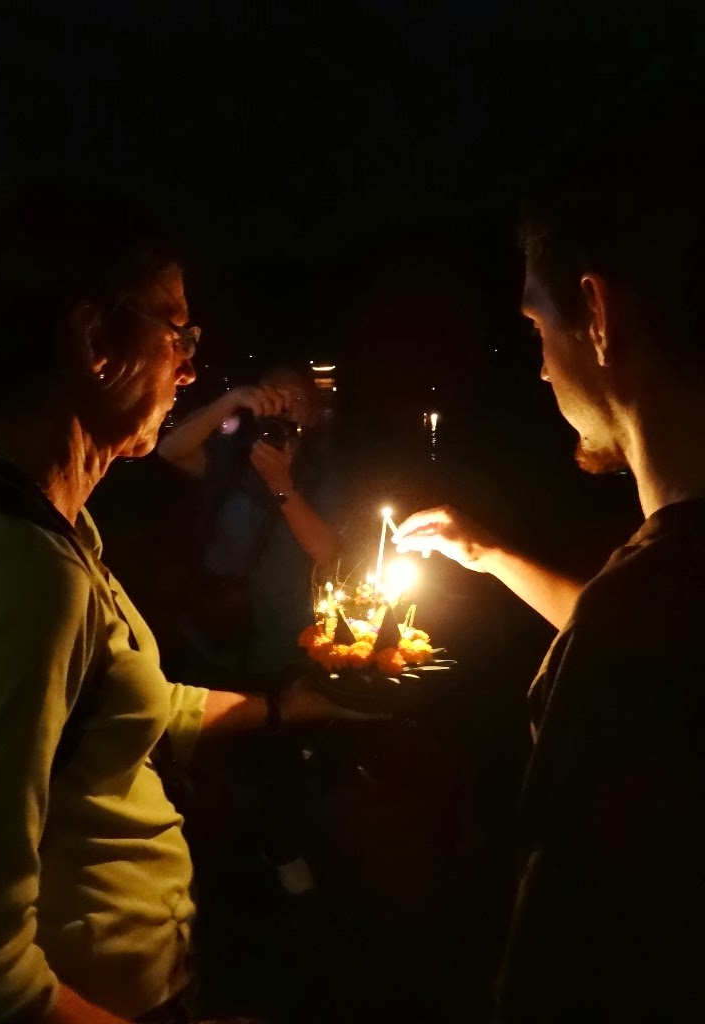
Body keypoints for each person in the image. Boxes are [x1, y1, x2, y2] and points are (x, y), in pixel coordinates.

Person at [0, 169, 363, 1024]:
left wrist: (289, 706)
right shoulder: (21, 572)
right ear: (96, 341)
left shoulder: (49, 528)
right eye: (176, 329)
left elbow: (130, 704)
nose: (191, 363)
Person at [395, 129, 705, 1021]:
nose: (537, 366)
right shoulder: (659, 594)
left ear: (596, 314)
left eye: (537, 324)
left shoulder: (637, 628)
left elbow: (564, 970)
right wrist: (492, 555)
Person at [154, 366, 339, 681]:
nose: (285, 407)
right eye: (275, 396)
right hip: (213, 632)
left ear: (313, 413)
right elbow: (170, 450)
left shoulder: (326, 471)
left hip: (285, 644)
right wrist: (232, 399)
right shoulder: (233, 454)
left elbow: (329, 552)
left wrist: (281, 486)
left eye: (296, 398)